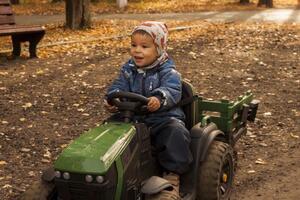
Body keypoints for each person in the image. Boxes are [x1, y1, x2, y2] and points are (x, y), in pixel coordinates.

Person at [105, 21, 192, 200]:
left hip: (162, 117)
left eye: (144, 46)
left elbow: (172, 90)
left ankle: (172, 175)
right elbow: (118, 86)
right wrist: (114, 99)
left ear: (159, 49)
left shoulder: (168, 71)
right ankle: (108, 169)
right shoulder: (128, 70)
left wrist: (159, 99)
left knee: (175, 132)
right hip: (134, 117)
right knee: (108, 127)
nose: (137, 50)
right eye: (133, 45)